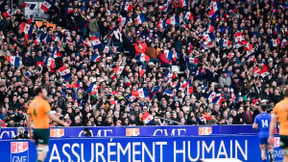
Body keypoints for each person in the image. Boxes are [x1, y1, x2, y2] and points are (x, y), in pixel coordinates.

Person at [27, 86, 69, 162]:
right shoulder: (44, 103)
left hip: (35, 130)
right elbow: (51, 117)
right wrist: (63, 123)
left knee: (40, 153)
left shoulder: (31, 104)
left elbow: (28, 121)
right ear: (40, 93)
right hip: (43, 130)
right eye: (44, 92)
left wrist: (30, 133)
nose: (46, 93)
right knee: (42, 154)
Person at [269, 87, 288, 162]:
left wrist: (271, 136)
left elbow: (273, 123)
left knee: (286, 156)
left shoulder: (278, 105)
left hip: (284, 135)